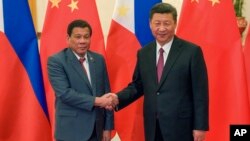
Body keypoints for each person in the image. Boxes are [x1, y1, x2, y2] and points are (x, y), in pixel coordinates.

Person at [109, 2, 209, 141]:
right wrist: (117, 98)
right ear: (150, 24)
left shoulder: (192, 52)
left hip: (181, 126)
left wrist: (200, 126)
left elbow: (200, 92)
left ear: (175, 23)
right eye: (157, 23)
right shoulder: (144, 53)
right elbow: (138, 85)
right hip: (153, 125)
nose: (161, 28)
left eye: (167, 23)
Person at [47, 19, 114, 141]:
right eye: (78, 37)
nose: (82, 41)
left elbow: (107, 94)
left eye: (86, 37)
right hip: (71, 131)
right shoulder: (56, 61)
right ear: (68, 38)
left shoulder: (99, 60)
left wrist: (107, 127)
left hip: (97, 130)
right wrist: (97, 101)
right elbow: (65, 94)